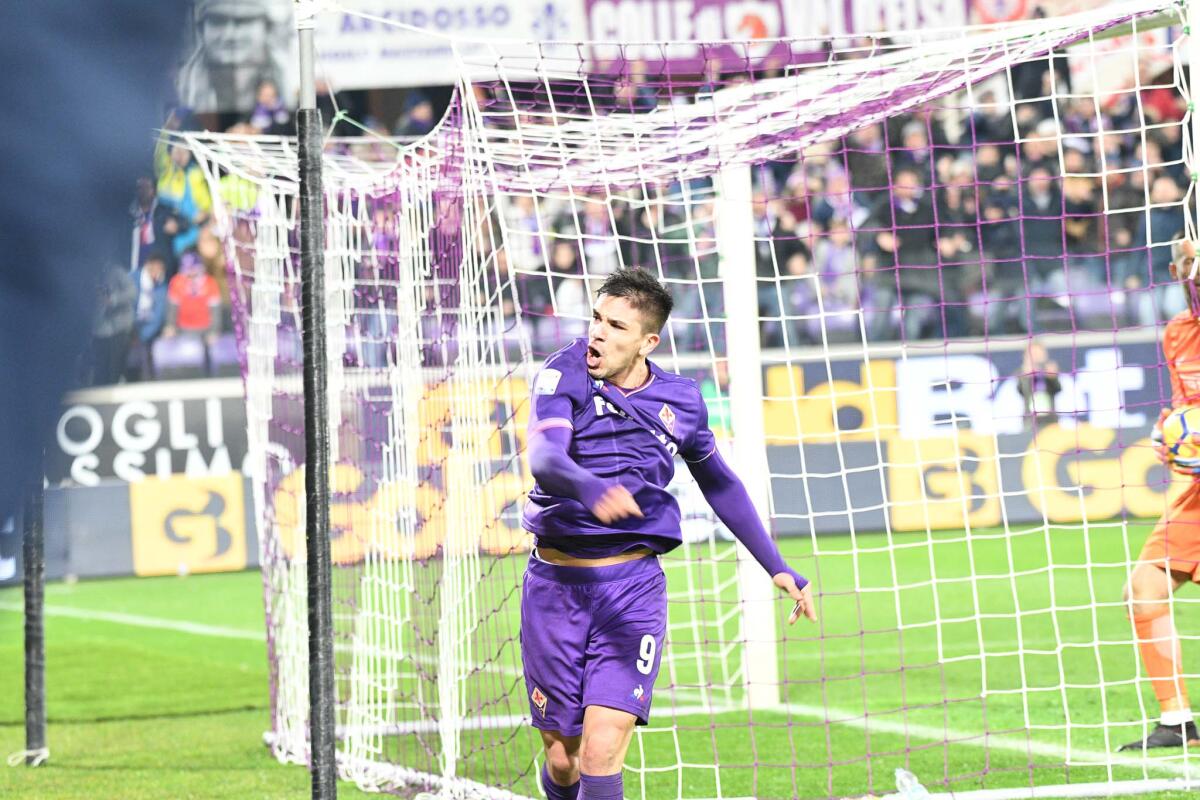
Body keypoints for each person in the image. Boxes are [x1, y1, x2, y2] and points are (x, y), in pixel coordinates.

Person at [521, 267, 815, 800]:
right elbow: (543, 456)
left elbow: (721, 484)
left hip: (632, 590)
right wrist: (588, 486)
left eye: (616, 326)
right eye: (596, 319)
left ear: (647, 341)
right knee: (563, 758)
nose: (597, 334)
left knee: (601, 749)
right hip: (555, 587)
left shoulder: (681, 400)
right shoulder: (564, 372)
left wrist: (778, 565)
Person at [1122, 238, 1200, 750]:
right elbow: (1184, 408)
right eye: (1188, 263)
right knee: (1143, 588)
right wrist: (1167, 432)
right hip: (1197, 492)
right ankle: (1177, 723)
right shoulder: (1177, 333)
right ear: (1177, 272)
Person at [1016, 340, 1060, 427]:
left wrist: (1052, 377)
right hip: (1031, 419)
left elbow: (1057, 388)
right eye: (1033, 354)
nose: (1036, 357)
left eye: (1038, 354)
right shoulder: (1022, 373)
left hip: (1050, 418)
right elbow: (1020, 390)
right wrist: (1026, 375)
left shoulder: (1049, 371)